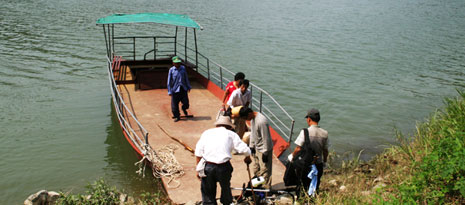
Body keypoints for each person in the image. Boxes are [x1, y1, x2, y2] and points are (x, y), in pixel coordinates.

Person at [195, 116, 252, 205]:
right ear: (229, 127)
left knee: (208, 191)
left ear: (217, 125)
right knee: (225, 188)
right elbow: (245, 150)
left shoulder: (207, 133)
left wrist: (198, 169)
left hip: (208, 166)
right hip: (224, 166)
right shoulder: (231, 134)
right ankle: (226, 202)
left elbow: (198, 152)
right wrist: (247, 157)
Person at [288, 108, 329, 196]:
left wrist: (292, 156)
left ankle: (301, 199)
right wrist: (325, 162)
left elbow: (298, 148)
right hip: (318, 165)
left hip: (305, 165)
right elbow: (325, 151)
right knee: (315, 185)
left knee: (302, 185)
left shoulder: (305, 132)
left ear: (309, 119)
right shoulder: (325, 133)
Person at [239, 107, 273, 188]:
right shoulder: (252, 119)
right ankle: (258, 187)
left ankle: (266, 189)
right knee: (256, 169)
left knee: (265, 171)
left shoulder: (261, 121)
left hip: (264, 149)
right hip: (257, 147)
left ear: (249, 114)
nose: (246, 120)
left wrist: (265, 152)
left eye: (246, 118)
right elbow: (253, 133)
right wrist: (251, 146)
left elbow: (266, 138)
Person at [167, 56, 191, 122]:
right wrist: (169, 91)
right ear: (173, 63)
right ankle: (177, 116)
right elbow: (169, 81)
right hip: (175, 90)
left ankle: (184, 108)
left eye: (179, 63)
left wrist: (188, 86)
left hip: (183, 89)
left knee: (186, 103)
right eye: (176, 63)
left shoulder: (183, 69)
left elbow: (186, 78)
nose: (178, 64)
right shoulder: (171, 70)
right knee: (174, 105)